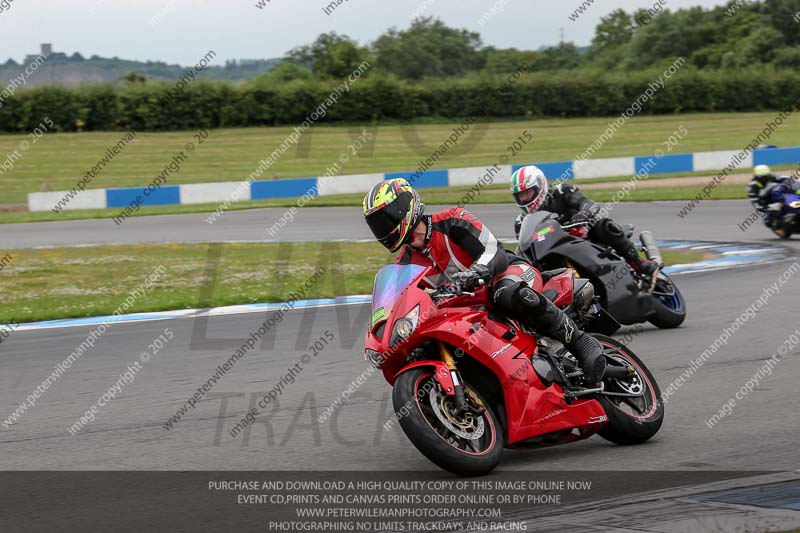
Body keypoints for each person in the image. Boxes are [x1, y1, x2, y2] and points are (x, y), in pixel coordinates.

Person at [362, 177, 606, 385]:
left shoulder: (452, 219)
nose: (382, 228)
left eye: (385, 218)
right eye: (376, 224)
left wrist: (478, 271)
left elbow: (494, 252)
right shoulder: (404, 264)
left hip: (509, 273)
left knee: (506, 292)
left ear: (404, 208)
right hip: (469, 307)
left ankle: (580, 342)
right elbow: (400, 303)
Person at [510, 165, 658, 275]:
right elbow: (527, 248)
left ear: (539, 187)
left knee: (604, 226)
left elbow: (590, 205)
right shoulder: (521, 222)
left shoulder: (562, 191)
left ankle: (639, 264)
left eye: (527, 193)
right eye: (520, 196)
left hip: (584, 236)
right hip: (555, 253)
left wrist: (582, 215)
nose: (524, 199)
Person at [747, 164, 799, 229]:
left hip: (778, 196)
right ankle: (778, 223)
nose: (764, 178)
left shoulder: (771, 176)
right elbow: (754, 199)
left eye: (766, 176)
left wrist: (794, 181)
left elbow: (782, 178)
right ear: (756, 176)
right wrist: (760, 207)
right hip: (765, 202)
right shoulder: (752, 186)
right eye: (762, 177)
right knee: (768, 222)